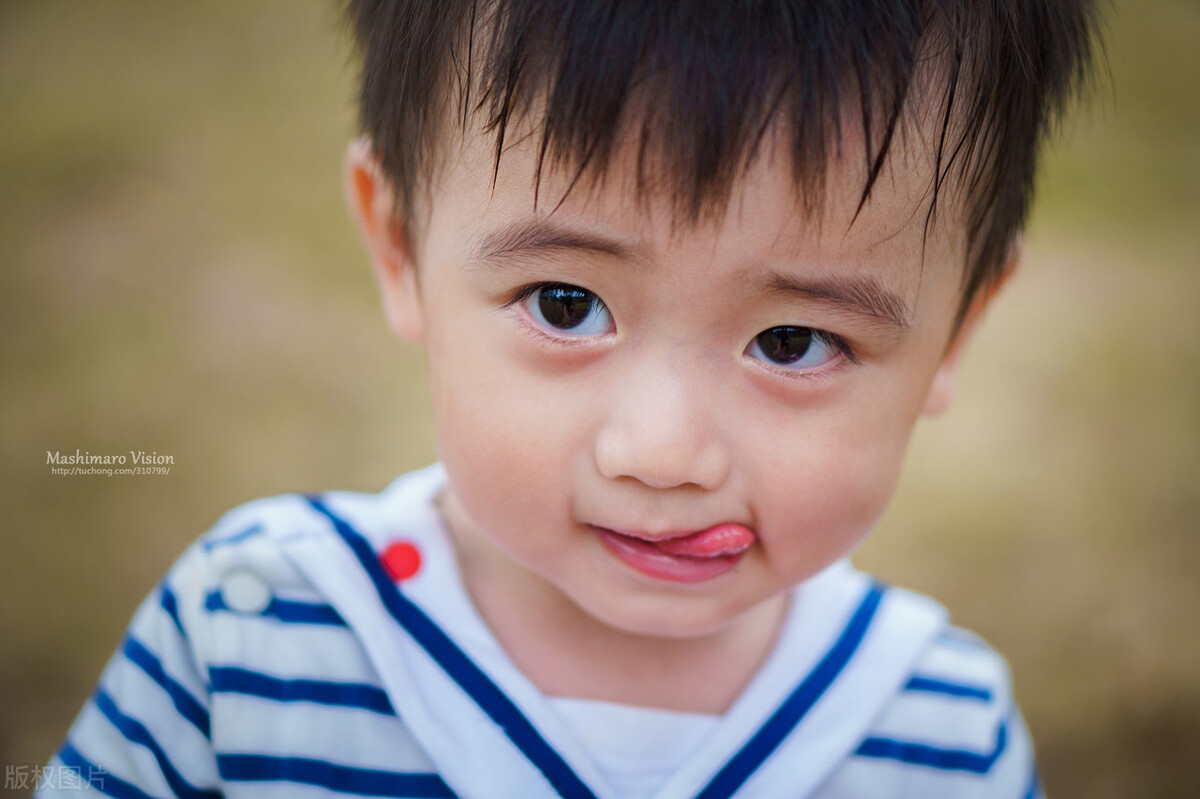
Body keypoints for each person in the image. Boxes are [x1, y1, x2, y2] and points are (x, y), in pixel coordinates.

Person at [40, 1, 1101, 796]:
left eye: (794, 340)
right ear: (399, 244)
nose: (663, 452)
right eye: (565, 302)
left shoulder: (941, 738)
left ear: (959, 327)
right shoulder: (255, 634)